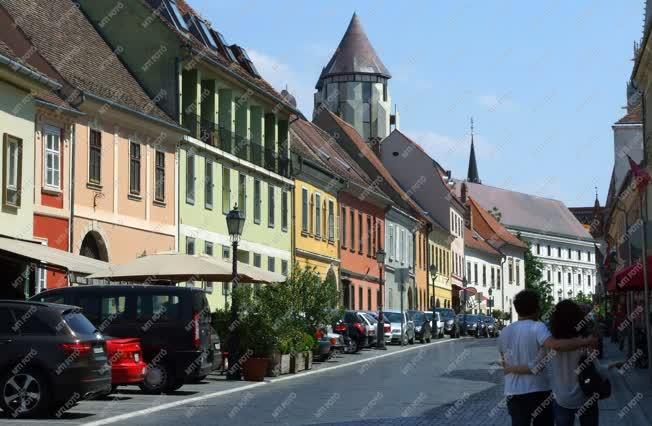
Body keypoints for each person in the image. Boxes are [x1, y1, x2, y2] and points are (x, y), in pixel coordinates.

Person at [504, 299, 622, 426]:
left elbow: (535, 367)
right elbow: (597, 370)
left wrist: (510, 368)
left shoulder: (550, 345)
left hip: (561, 400)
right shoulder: (584, 341)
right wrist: (612, 366)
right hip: (586, 397)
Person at [497, 290, 596, 426]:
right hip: (540, 390)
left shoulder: (504, 332)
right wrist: (584, 342)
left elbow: (504, 362)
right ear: (536, 309)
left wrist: (510, 368)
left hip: (513, 391)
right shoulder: (538, 327)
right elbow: (554, 345)